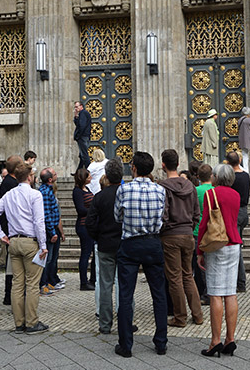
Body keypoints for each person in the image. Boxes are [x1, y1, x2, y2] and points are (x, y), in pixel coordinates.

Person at [113, 151, 168, 358]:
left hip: (131, 243)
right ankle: (161, 342)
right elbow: (163, 215)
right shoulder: (160, 190)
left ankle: (126, 344)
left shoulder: (124, 189)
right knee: (159, 294)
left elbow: (117, 216)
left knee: (126, 295)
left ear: (133, 168)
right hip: (153, 242)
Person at [0, 163, 50, 334]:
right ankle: (31, 322)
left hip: (14, 241)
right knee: (32, 284)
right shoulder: (35, 194)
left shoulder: (9, 194)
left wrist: (1, 234)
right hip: (30, 241)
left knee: (17, 283)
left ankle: (19, 322)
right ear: (29, 177)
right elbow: (39, 221)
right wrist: (43, 245)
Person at [197, 164, 242, 357]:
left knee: (215, 293)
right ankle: (230, 339)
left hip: (217, 243)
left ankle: (215, 340)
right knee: (230, 293)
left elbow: (205, 222)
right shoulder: (236, 195)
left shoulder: (211, 194)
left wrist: (199, 250)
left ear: (216, 177)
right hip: (234, 243)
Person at [159, 149, 203, 328]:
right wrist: (190, 227)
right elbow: (196, 213)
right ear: (178, 164)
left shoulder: (163, 187)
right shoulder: (190, 186)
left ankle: (180, 317)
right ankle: (198, 315)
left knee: (174, 277)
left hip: (171, 235)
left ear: (163, 165)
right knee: (188, 275)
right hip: (188, 234)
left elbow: (164, 214)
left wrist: (164, 229)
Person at [85, 159, 126, 334]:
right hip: (124, 243)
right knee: (125, 285)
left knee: (105, 285)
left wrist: (98, 236)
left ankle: (105, 323)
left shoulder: (99, 196)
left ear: (106, 175)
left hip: (105, 244)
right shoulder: (126, 193)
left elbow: (90, 222)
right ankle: (125, 321)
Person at [0, 155, 23, 301]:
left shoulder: (9, 182)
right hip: (11, 228)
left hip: (9, 227)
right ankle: (9, 293)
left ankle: (10, 293)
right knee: (12, 263)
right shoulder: (11, 184)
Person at [225, 151, 250, 293]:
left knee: (236, 247)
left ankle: (240, 281)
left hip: (235, 212)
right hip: (244, 211)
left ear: (228, 163)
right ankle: (239, 280)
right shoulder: (246, 175)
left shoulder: (231, 178)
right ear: (240, 160)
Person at [39, 168, 65, 294]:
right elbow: (46, 214)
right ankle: (43, 283)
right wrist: (52, 232)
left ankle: (50, 281)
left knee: (52, 258)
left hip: (54, 227)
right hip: (49, 229)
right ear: (50, 179)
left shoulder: (49, 190)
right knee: (47, 259)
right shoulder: (45, 192)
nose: (56, 175)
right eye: (54, 174)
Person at [73, 168, 96, 290]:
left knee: (95, 253)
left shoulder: (87, 189)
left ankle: (93, 279)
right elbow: (81, 209)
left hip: (91, 225)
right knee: (86, 254)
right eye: (88, 176)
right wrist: (94, 210)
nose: (90, 178)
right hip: (84, 226)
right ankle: (83, 282)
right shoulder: (77, 191)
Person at [194, 163, 214, 305]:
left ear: (198, 177)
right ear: (211, 176)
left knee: (198, 265)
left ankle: (201, 292)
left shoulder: (195, 191)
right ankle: (211, 291)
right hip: (212, 230)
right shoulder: (215, 190)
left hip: (197, 230)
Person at [73, 101, 92, 172]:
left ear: (81, 106)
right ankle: (78, 171)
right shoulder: (82, 113)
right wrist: (76, 117)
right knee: (82, 155)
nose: (76, 108)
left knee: (84, 155)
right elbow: (79, 124)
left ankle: (90, 171)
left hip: (83, 137)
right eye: (75, 107)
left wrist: (78, 136)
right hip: (85, 136)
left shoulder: (83, 113)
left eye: (77, 107)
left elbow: (81, 126)